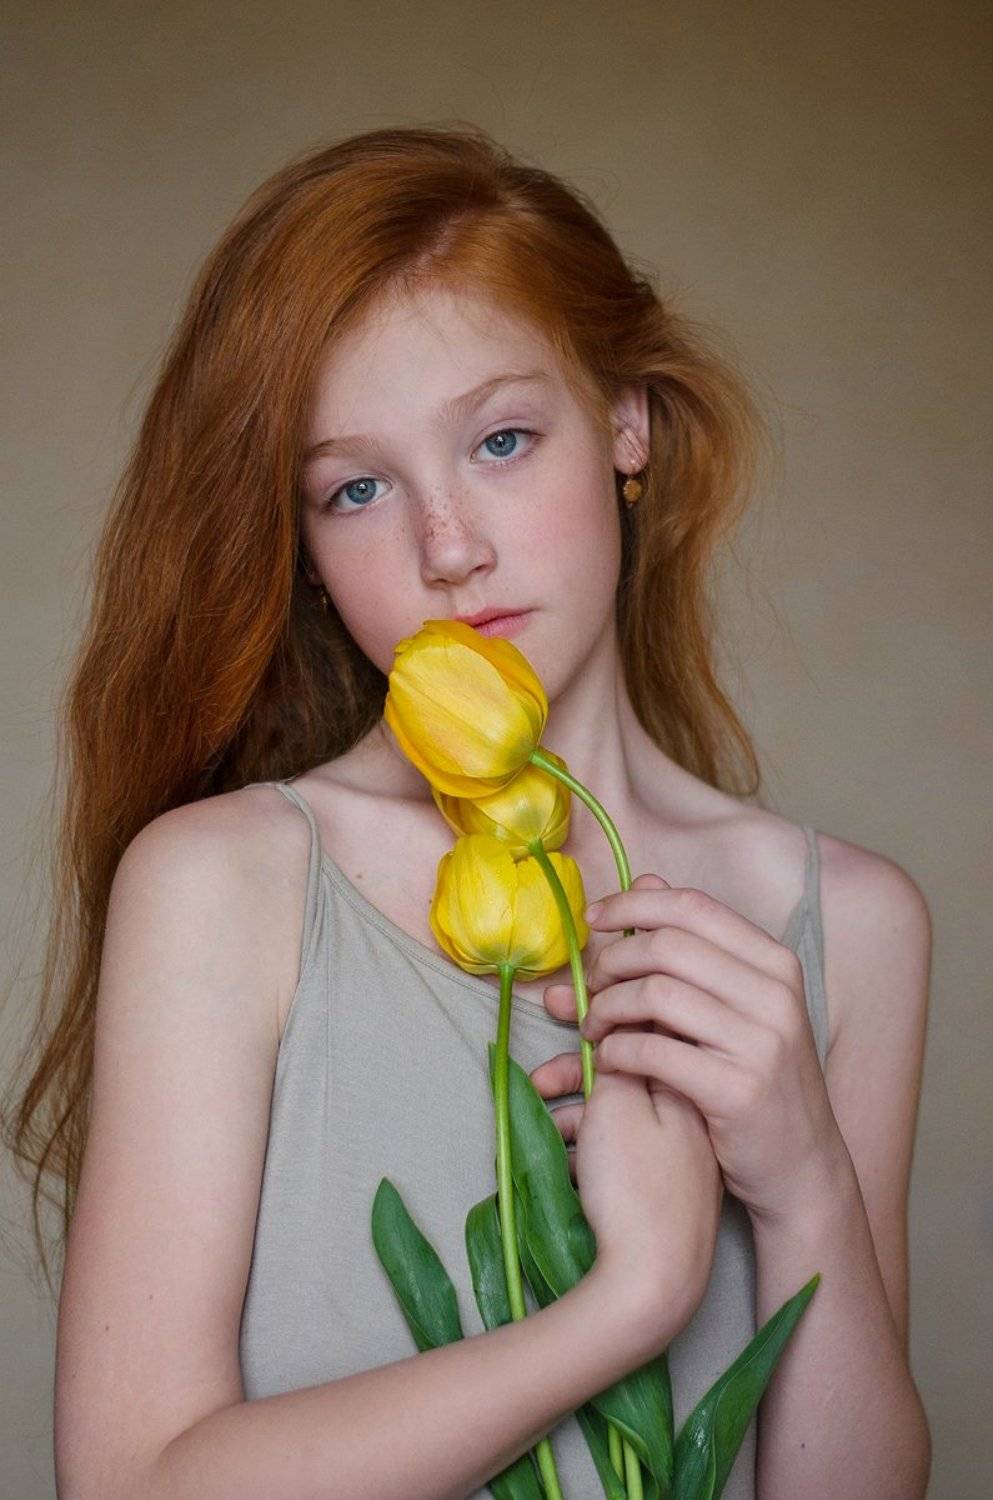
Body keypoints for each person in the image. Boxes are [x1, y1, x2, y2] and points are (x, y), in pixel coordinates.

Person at [2, 123, 932, 1498]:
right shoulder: (224, 886)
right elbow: (132, 1483)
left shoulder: (848, 923)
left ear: (626, 424)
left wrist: (805, 1184)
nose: (448, 548)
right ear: (303, 547)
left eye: (501, 439)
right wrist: (631, 1300)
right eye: (357, 488)